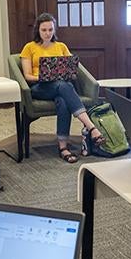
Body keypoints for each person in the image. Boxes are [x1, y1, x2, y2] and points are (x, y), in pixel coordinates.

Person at [19, 13, 105, 163]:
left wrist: (67, 73)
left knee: (63, 100)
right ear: (37, 30)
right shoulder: (29, 47)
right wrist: (45, 77)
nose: (47, 33)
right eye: (44, 30)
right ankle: (91, 127)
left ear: (54, 30)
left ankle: (63, 148)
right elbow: (27, 76)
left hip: (60, 87)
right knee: (62, 86)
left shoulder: (61, 46)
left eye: (50, 29)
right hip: (39, 87)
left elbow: (72, 68)